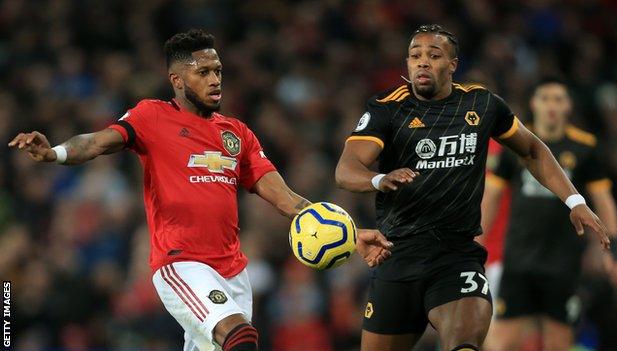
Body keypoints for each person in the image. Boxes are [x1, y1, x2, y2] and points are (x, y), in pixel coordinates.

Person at [8, 29, 391, 351]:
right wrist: (55, 153)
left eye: (218, 70)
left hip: (233, 271)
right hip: (182, 263)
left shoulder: (236, 133)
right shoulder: (151, 116)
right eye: (204, 71)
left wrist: (350, 233)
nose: (215, 79)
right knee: (240, 336)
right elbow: (96, 143)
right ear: (177, 80)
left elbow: (286, 199)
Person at [334, 24, 611, 351]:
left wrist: (575, 200)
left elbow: (533, 149)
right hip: (397, 254)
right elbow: (346, 169)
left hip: (457, 256)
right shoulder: (387, 108)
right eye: (415, 56)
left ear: (452, 65)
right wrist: (379, 179)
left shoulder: (482, 105)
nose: (422, 62)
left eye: (433, 55)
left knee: (465, 344)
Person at [480, 78, 617, 351]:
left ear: (568, 105)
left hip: (563, 263)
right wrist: (476, 245)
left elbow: (604, 202)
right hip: (518, 258)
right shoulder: (516, 145)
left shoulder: (585, 147)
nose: (552, 106)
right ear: (534, 103)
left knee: (558, 342)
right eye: (545, 98)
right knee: (501, 342)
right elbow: (492, 198)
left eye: (558, 99)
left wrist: (614, 252)